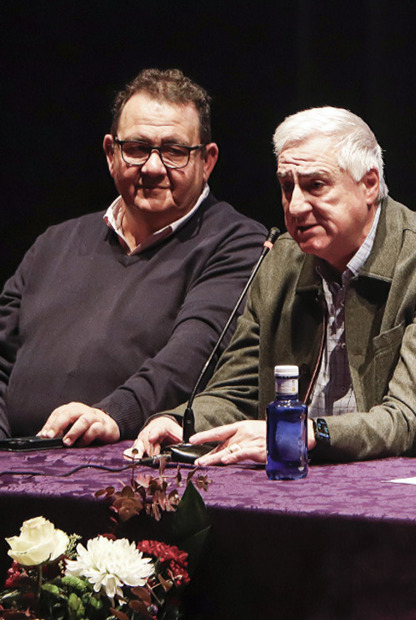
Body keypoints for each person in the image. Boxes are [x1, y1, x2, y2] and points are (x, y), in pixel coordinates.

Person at [129, 106, 416, 465]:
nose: (295, 207)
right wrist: (184, 424)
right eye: (286, 186)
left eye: (315, 186)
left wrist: (304, 433)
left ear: (369, 185)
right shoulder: (281, 260)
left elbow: (404, 421)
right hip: (304, 484)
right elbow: (237, 391)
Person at [0, 68, 266, 446]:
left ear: (207, 162)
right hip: (15, 465)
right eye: (137, 149)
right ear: (111, 153)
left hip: (127, 469)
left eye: (174, 151)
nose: (153, 167)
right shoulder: (54, 242)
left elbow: (191, 360)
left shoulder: (238, 243)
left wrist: (113, 414)